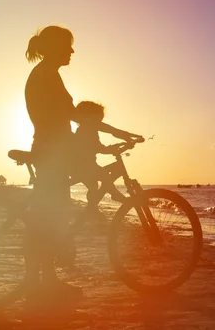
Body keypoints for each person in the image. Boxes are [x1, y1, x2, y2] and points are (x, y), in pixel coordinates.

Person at [23, 25, 138, 304]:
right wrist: (119, 132)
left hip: (54, 151)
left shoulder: (47, 74)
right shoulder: (47, 75)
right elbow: (76, 116)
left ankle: (44, 279)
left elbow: (69, 116)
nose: (72, 51)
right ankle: (36, 282)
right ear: (53, 47)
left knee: (49, 216)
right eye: (67, 45)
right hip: (53, 153)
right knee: (47, 218)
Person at [70, 101, 142, 220]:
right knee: (103, 175)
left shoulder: (90, 129)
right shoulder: (84, 131)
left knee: (93, 186)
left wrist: (116, 145)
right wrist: (112, 148)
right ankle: (114, 194)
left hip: (87, 164)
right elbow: (98, 147)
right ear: (88, 118)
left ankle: (92, 208)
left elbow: (106, 137)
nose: (99, 123)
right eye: (97, 120)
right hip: (82, 165)